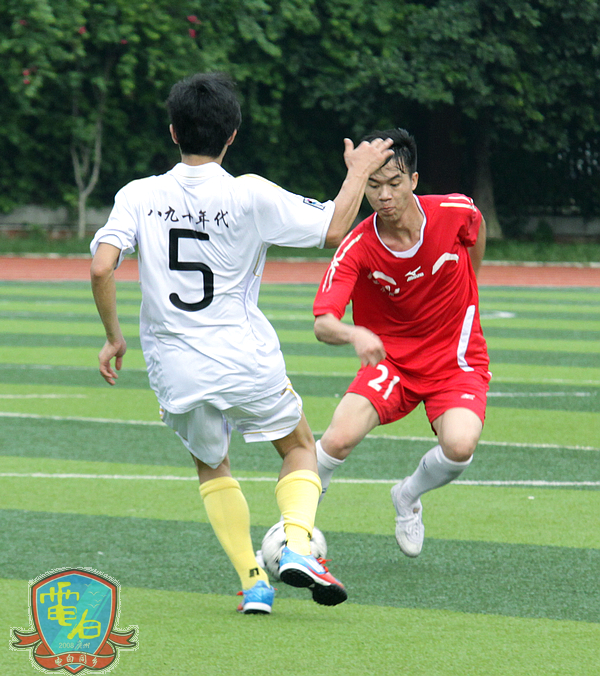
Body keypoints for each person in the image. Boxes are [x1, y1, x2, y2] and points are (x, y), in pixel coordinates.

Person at [90, 72, 393, 614]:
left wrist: (114, 337)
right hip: (244, 357)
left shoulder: (137, 195)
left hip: (175, 367)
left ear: (172, 131)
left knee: (212, 465)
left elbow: (100, 267)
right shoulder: (248, 192)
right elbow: (332, 228)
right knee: (299, 447)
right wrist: (358, 171)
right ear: (232, 135)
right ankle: (296, 544)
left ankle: (254, 582)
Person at [312, 127, 489, 558]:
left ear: (413, 180)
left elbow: (476, 230)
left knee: (459, 446)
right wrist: (354, 333)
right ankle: (293, 527)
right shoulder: (357, 245)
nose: (384, 195)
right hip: (390, 362)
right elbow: (323, 323)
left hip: (455, 358)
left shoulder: (454, 211)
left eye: (394, 183)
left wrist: (471, 284)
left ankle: (407, 495)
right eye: (373, 185)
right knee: (336, 440)